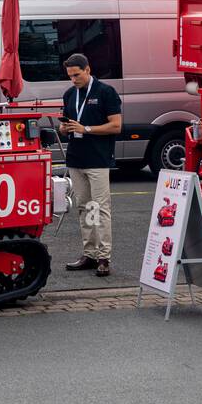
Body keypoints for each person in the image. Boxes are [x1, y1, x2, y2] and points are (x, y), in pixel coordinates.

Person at [59, 53, 122, 278]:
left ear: (88, 69)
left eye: (77, 75)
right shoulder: (69, 94)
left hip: (98, 159)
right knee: (84, 207)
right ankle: (90, 253)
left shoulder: (106, 92)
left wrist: (86, 129)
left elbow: (116, 126)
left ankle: (104, 256)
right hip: (76, 158)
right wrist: (65, 129)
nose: (73, 79)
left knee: (100, 207)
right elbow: (66, 123)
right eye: (70, 76)